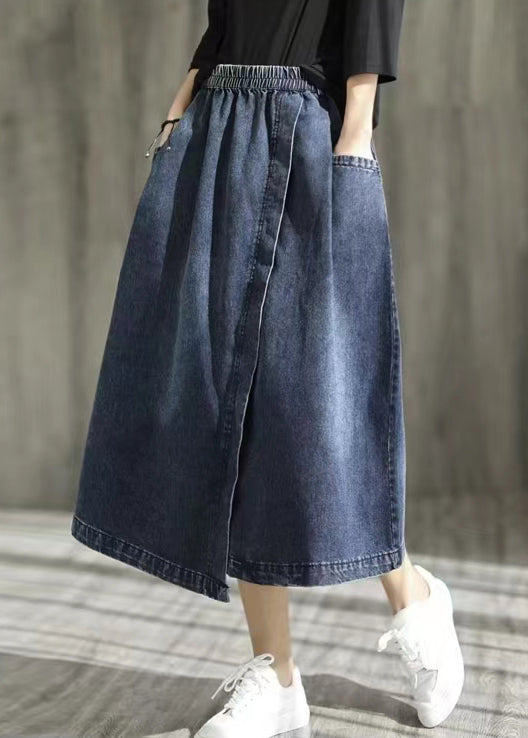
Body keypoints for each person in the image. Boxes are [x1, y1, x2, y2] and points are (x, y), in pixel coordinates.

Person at [71, 2, 464, 735]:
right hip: (219, 126)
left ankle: (415, 600)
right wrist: (179, 112)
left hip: (308, 126)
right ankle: (277, 677)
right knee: (233, 409)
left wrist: (355, 133)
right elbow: (225, 19)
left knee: (312, 411)